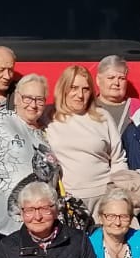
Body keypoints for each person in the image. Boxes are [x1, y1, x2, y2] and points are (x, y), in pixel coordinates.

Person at [0, 73, 58, 237]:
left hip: (35, 225)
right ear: (16, 98)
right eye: (27, 98)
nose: (33, 105)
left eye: (39, 100)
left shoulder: (45, 133)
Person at [45, 66, 127, 212]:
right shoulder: (48, 117)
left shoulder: (102, 116)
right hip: (68, 200)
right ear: (63, 89)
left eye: (85, 89)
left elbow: (118, 159)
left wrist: (117, 195)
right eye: (74, 88)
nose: (80, 95)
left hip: (104, 198)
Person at [94, 54, 139, 123]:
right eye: (111, 78)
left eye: (122, 78)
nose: (116, 83)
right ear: (98, 80)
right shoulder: (86, 106)